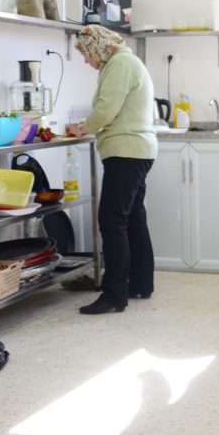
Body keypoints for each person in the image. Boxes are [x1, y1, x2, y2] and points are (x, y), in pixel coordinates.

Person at [66, 24, 158, 315]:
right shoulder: (125, 62)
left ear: (98, 47)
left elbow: (107, 109)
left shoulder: (120, 64)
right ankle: (140, 283)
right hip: (136, 150)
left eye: (86, 53)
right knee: (132, 219)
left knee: (111, 220)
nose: (86, 60)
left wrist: (81, 127)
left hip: (126, 151)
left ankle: (114, 295)